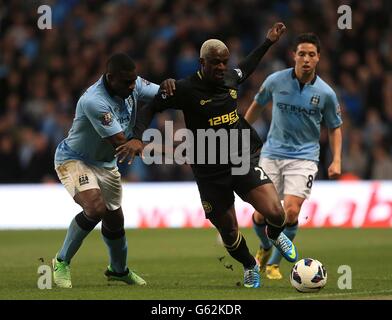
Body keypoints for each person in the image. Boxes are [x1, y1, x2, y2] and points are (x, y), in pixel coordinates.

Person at [116, 22, 298, 289]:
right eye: (215, 63)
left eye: (224, 62)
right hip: (209, 173)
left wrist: (268, 41)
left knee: (276, 213)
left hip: (240, 160)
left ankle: (273, 233)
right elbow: (151, 106)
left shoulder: (230, 78)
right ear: (202, 62)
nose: (221, 67)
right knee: (229, 232)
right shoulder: (186, 89)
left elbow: (246, 66)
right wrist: (136, 135)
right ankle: (250, 265)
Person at [52, 53, 175, 288]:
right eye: (127, 82)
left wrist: (173, 86)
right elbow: (122, 142)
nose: (132, 86)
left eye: (134, 80)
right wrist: (169, 150)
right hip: (75, 160)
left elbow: (163, 93)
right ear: (110, 77)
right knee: (95, 208)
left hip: (106, 165)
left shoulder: (133, 83)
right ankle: (61, 260)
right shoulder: (94, 101)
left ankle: (118, 270)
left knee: (115, 221)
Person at [244, 33, 343, 280]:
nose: (306, 59)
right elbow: (257, 104)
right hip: (271, 153)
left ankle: (273, 265)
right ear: (294, 56)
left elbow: (334, 127)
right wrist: (241, 133)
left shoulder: (326, 93)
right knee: (261, 215)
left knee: (290, 211)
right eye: (302, 54)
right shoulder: (275, 81)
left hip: (304, 157)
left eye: (311, 54)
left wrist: (337, 159)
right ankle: (266, 247)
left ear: (318, 58)